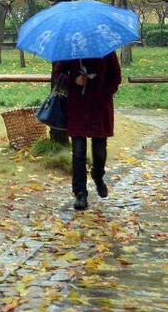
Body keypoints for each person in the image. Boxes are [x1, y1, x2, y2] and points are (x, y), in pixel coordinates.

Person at [51, 51, 122, 211]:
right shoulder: (71, 50)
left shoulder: (106, 51)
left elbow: (116, 76)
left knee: (99, 152)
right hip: (77, 107)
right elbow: (59, 73)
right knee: (78, 153)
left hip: (100, 107)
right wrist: (74, 79)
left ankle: (98, 175)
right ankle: (80, 193)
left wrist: (105, 92)